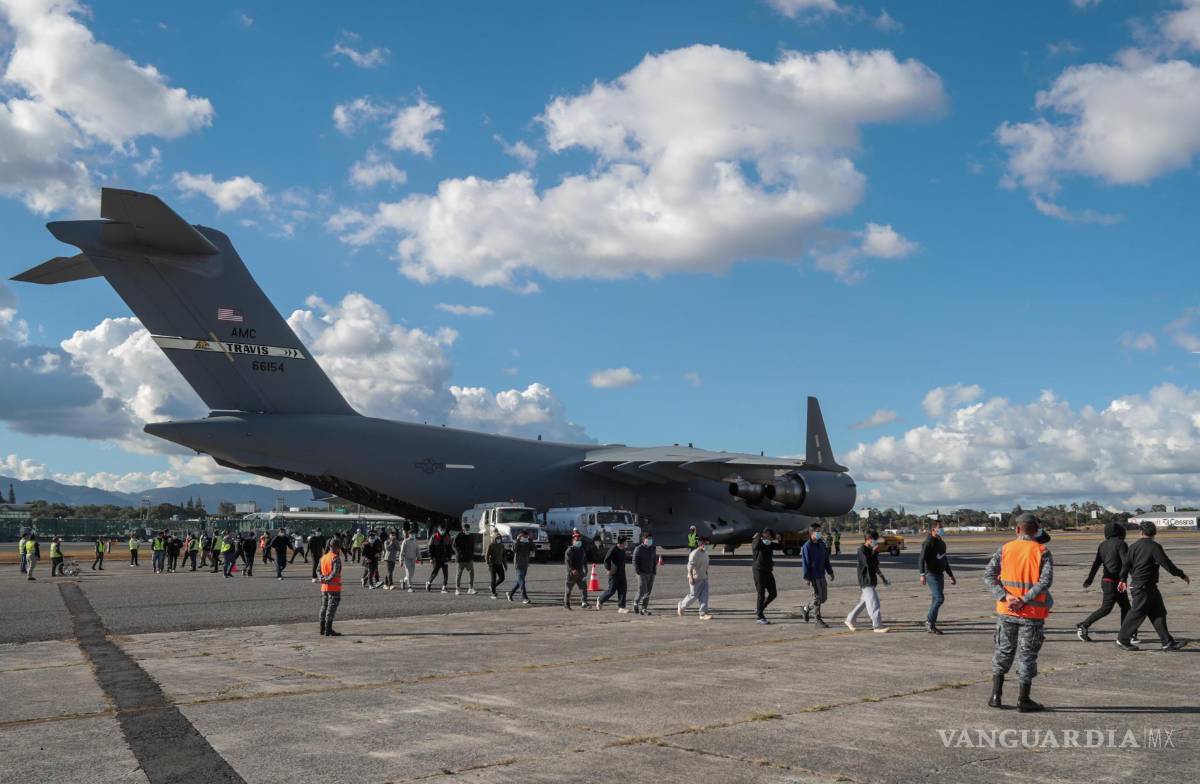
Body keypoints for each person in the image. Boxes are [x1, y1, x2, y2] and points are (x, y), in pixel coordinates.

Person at [983, 513, 1053, 713]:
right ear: (1036, 530)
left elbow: (988, 575)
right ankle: (1024, 699)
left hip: (1006, 611)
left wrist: (1005, 596)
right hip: (1031, 613)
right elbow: (1045, 581)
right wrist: (1024, 599)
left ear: (1017, 529)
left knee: (1003, 652)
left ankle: (996, 696)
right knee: (1027, 656)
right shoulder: (1042, 551)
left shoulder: (1005, 549)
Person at [1116, 521, 1190, 651]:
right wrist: (1181, 574)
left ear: (1141, 532)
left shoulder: (1133, 546)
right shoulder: (1154, 546)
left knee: (1159, 613)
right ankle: (1122, 640)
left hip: (1147, 586)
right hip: (1142, 587)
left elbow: (1126, 565)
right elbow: (1166, 564)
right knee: (1136, 613)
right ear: (1155, 533)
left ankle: (1167, 642)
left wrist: (1122, 579)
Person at [1077, 521, 1130, 642]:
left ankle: (1126, 634)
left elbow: (1096, 564)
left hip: (1107, 580)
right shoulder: (1121, 544)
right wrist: (1125, 579)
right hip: (1115, 582)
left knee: (1126, 607)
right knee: (1106, 608)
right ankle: (1083, 625)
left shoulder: (1102, 545)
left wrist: (1089, 579)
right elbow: (1126, 563)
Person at [845, 530, 890, 633]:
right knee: (874, 602)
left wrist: (883, 578)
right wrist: (874, 552)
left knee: (864, 602)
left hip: (872, 580)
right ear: (869, 539)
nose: (876, 542)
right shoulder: (862, 550)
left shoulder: (872, 550)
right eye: (875, 539)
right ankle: (877, 626)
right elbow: (868, 563)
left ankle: (849, 619)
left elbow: (875, 566)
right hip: (865, 580)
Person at [919, 521, 957, 634]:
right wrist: (922, 574)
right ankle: (929, 621)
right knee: (940, 598)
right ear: (933, 530)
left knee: (936, 599)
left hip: (940, 574)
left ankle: (931, 624)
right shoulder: (928, 542)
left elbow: (944, 560)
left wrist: (950, 575)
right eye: (940, 527)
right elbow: (921, 559)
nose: (942, 529)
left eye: (942, 527)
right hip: (931, 574)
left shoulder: (942, 543)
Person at [800, 522, 834, 627]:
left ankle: (806, 609)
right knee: (818, 597)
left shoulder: (822, 544)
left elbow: (826, 560)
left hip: (821, 574)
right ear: (811, 533)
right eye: (817, 531)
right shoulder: (807, 546)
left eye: (820, 531)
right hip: (813, 575)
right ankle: (817, 620)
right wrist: (807, 577)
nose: (819, 533)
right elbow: (805, 563)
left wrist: (830, 571)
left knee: (823, 598)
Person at [677, 535, 712, 620]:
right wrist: (690, 577)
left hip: (704, 578)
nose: (707, 546)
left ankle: (703, 613)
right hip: (695, 579)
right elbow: (690, 566)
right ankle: (681, 605)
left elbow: (706, 566)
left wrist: (706, 575)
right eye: (706, 544)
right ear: (701, 544)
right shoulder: (694, 553)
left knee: (705, 596)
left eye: (708, 544)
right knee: (693, 596)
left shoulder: (706, 554)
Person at [751, 529, 780, 624]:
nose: (768, 538)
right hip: (758, 571)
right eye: (766, 535)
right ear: (762, 535)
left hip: (768, 571)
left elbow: (781, 546)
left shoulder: (770, 545)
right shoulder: (758, 543)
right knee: (761, 594)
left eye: (770, 536)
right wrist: (758, 536)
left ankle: (760, 608)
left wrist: (780, 539)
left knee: (773, 593)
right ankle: (760, 617)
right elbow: (755, 546)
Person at [597, 535, 630, 613]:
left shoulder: (623, 550)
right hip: (614, 573)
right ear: (622, 542)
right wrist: (609, 569)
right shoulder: (613, 549)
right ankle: (600, 599)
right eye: (626, 541)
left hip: (622, 573)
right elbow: (606, 560)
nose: (626, 543)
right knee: (611, 591)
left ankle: (621, 607)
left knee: (623, 589)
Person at [317, 539, 344, 636]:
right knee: (330, 609)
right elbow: (335, 572)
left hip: (324, 587)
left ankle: (322, 629)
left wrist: (322, 578)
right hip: (334, 588)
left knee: (323, 607)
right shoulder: (335, 558)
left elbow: (318, 570)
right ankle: (328, 629)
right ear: (337, 547)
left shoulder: (323, 557)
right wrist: (328, 579)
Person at [631, 531, 657, 615]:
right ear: (644, 539)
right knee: (642, 590)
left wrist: (654, 571)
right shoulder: (639, 548)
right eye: (648, 539)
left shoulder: (653, 548)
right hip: (641, 573)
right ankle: (636, 602)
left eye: (651, 539)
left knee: (648, 592)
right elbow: (634, 561)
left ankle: (644, 608)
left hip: (651, 573)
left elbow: (654, 560)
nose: (650, 540)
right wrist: (638, 572)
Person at [564, 532, 590, 609]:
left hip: (580, 572)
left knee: (583, 588)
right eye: (576, 539)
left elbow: (584, 560)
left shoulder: (581, 549)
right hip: (572, 573)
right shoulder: (569, 550)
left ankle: (584, 602)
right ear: (573, 541)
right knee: (568, 589)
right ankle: (566, 603)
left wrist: (586, 569)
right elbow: (567, 561)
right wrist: (572, 570)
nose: (578, 541)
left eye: (579, 539)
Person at [508, 530, 533, 604]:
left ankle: (510, 594)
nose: (525, 538)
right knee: (522, 582)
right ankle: (524, 598)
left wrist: (530, 540)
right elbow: (514, 549)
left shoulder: (528, 543)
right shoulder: (517, 542)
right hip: (518, 565)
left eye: (526, 536)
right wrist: (517, 540)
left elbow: (534, 549)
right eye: (523, 536)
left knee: (520, 582)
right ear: (520, 536)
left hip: (525, 565)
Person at [426, 525, 452, 592]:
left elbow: (449, 548)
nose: (443, 531)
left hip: (444, 558)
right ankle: (429, 583)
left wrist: (449, 556)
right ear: (438, 529)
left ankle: (444, 587)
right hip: (436, 559)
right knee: (435, 573)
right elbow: (430, 548)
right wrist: (431, 557)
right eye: (441, 530)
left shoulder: (447, 537)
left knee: (446, 573)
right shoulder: (434, 536)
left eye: (444, 530)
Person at [454, 524, 477, 595]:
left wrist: (472, 556)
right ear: (463, 529)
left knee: (471, 573)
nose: (467, 531)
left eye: (468, 529)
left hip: (469, 558)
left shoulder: (471, 536)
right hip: (461, 559)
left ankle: (470, 588)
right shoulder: (459, 536)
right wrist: (458, 553)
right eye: (466, 529)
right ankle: (457, 589)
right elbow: (454, 545)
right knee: (459, 574)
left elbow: (472, 546)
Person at [485, 534, 506, 598]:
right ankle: (493, 594)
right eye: (497, 538)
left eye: (499, 538)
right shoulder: (491, 545)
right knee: (493, 579)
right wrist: (487, 563)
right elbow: (487, 555)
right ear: (494, 538)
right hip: (492, 564)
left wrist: (505, 565)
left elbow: (503, 556)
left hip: (499, 564)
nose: (498, 539)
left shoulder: (502, 545)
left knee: (502, 578)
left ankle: (492, 586)